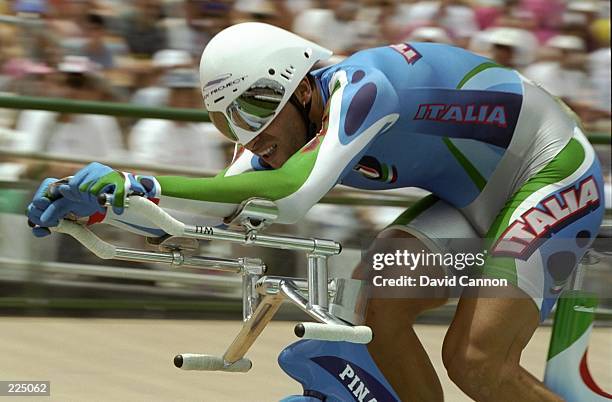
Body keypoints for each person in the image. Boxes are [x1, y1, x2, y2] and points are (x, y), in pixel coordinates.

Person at [26, 23, 604, 402]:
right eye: (228, 121)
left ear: (300, 88)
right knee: (375, 305)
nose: (247, 137)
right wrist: (101, 211)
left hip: (550, 173)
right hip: (475, 201)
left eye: (254, 109)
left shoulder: (363, 86)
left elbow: (293, 194)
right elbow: (210, 219)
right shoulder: (280, 132)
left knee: (475, 360)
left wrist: (139, 179)